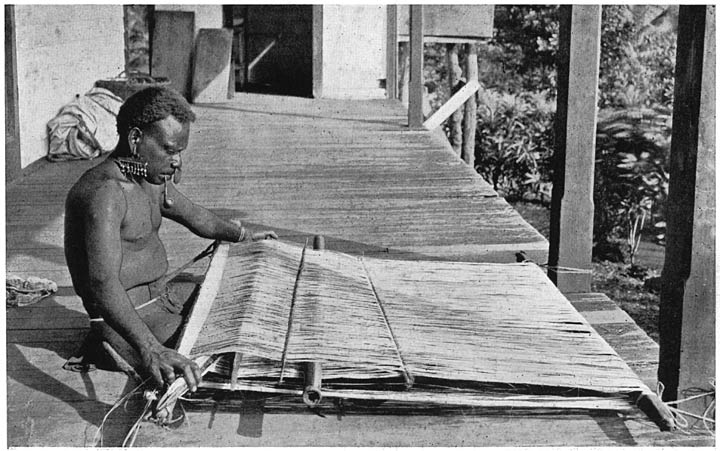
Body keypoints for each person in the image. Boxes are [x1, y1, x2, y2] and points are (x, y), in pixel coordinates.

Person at [64, 87, 276, 392]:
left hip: (161, 300)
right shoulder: (105, 193)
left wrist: (243, 236)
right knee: (239, 336)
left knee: (241, 289)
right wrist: (152, 350)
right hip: (128, 329)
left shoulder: (149, 178)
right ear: (136, 140)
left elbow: (195, 216)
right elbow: (102, 284)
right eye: (169, 149)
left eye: (180, 152)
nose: (176, 161)